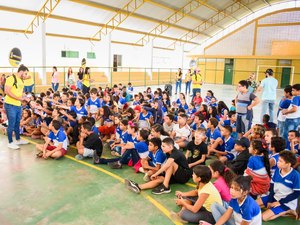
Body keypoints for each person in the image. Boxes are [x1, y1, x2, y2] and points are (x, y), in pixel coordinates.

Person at [256, 150, 300, 221]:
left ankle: (288, 210)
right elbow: (272, 187)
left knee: (263, 217)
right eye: (278, 160)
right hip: (275, 197)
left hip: (287, 203)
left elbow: (297, 193)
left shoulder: (295, 176)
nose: (278, 162)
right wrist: (270, 200)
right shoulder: (277, 171)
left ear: (288, 164)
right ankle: (274, 206)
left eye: (280, 161)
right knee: (254, 205)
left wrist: (280, 202)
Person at [4, 65, 30, 149]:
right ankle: (10, 142)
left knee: (17, 123)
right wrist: (19, 98)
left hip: (18, 105)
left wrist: (25, 97)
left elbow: (20, 92)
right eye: (25, 73)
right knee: (11, 124)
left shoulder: (21, 80)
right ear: (21, 71)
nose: (26, 75)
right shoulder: (11, 78)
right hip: (10, 105)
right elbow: (7, 91)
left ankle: (18, 140)